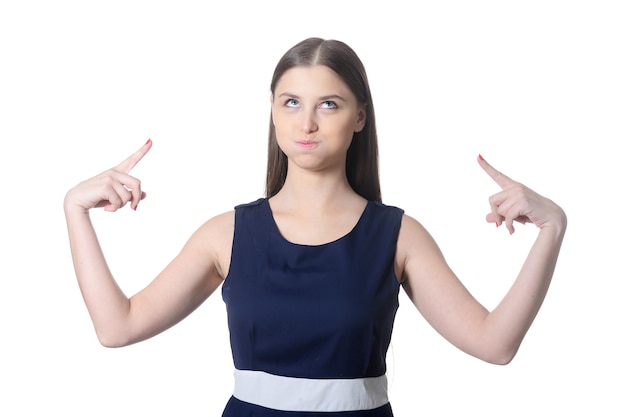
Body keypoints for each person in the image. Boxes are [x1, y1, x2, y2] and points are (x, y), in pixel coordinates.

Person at [64, 37, 567, 416]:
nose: (307, 123)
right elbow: (118, 327)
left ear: (359, 118)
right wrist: (75, 210)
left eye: (329, 104)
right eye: (291, 102)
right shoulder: (226, 234)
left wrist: (552, 228)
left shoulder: (397, 236)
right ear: (273, 113)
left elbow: (494, 344)